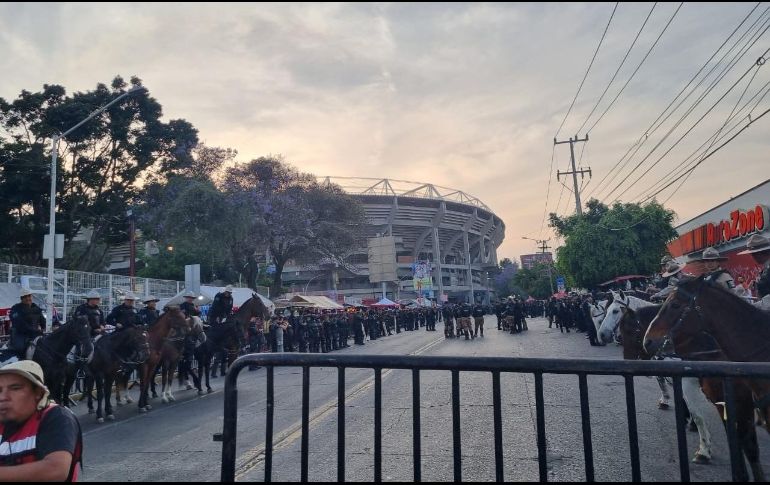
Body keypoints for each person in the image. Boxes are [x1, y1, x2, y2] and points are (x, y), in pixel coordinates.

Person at [0, 360, 82, 482]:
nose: (3, 397)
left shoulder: (57, 416)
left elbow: (56, 470)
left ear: (38, 392)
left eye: (15, 388)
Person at [9, 290, 46, 361]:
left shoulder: (36, 308)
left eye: (29, 296)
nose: (27, 298)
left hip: (35, 335)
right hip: (20, 335)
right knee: (20, 349)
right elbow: (20, 324)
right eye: (25, 297)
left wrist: (46, 327)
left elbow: (42, 320)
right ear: (21, 299)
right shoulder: (16, 308)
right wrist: (36, 331)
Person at [738, 234, 770, 310]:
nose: (752, 257)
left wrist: (753, 307)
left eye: (753, 254)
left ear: (761, 253)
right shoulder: (765, 269)